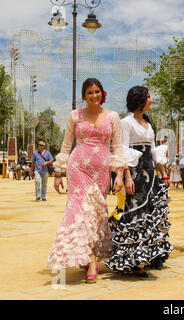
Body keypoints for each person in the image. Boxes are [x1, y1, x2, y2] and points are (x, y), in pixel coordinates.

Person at [46, 78, 126, 284]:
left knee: (95, 213)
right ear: (84, 96)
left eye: (97, 91)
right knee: (80, 212)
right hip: (78, 168)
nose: (94, 95)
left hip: (101, 172)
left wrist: (119, 174)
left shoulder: (113, 116)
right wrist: (58, 174)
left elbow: (117, 147)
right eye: (89, 92)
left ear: (102, 93)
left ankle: (87, 253)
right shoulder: (74, 116)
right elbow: (65, 146)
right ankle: (91, 260)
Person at [106, 86, 173, 275]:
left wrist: (164, 174)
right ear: (140, 100)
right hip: (134, 175)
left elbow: (153, 153)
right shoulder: (125, 123)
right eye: (149, 97)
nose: (152, 100)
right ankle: (132, 259)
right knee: (135, 213)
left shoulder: (148, 123)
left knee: (152, 213)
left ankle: (151, 255)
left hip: (150, 175)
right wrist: (127, 177)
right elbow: (122, 151)